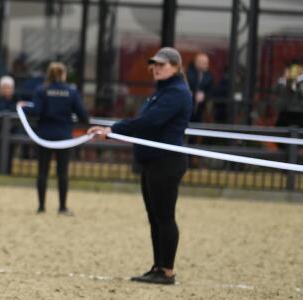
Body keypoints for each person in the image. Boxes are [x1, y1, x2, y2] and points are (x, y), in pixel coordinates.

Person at [89, 46, 193, 285]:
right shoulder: (161, 92)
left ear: (176, 67)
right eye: (154, 64)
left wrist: (112, 131)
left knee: (165, 217)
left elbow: (149, 123)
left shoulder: (176, 93)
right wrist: (110, 129)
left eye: (162, 65)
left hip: (166, 161)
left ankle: (167, 270)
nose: (156, 69)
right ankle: (157, 266)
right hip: (152, 161)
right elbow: (142, 121)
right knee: (155, 217)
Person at [30, 62, 90, 215]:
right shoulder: (71, 92)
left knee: (42, 171)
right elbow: (83, 115)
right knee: (62, 172)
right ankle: (62, 207)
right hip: (64, 136)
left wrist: (23, 107)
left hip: (45, 135)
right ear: (63, 74)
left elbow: (35, 111)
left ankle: (41, 206)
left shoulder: (41, 90)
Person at [0, 75, 17, 175]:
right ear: (0, 89)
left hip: (11, 135)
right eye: (4, 87)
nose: (7, 90)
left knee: (9, 158)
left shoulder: (16, 101)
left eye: (9, 87)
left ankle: (8, 174)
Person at [185, 52, 214, 123]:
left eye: (207, 63)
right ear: (196, 62)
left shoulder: (209, 76)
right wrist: (194, 94)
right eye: (203, 63)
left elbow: (211, 91)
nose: (206, 65)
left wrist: (204, 95)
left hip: (201, 109)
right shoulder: (188, 73)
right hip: (187, 107)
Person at [274, 62, 303, 129]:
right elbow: (276, 91)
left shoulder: (300, 82)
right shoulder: (283, 81)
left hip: (299, 112)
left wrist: (297, 82)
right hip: (285, 111)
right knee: (281, 130)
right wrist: (283, 79)